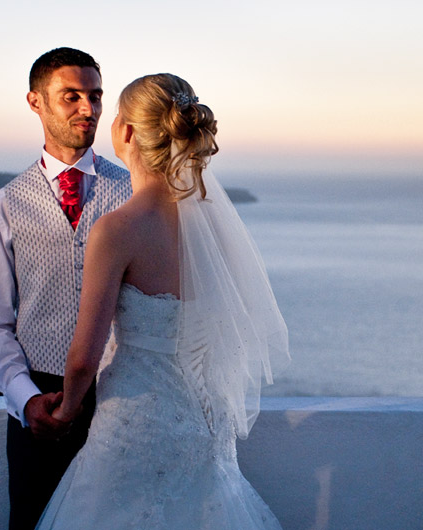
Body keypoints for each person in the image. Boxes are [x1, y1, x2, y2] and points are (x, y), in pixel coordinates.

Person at [35, 73, 290, 529]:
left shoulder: (117, 230)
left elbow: (83, 357)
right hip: (203, 424)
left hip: (137, 426)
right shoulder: (214, 229)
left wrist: (66, 411)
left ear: (128, 132)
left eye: (113, 114)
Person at [0, 47, 132, 530]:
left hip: (127, 402)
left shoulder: (138, 196)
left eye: (96, 96)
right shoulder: (0, 208)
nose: (89, 109)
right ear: (35, 102)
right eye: (71, 96)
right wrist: (24, 398)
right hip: (40, 407)